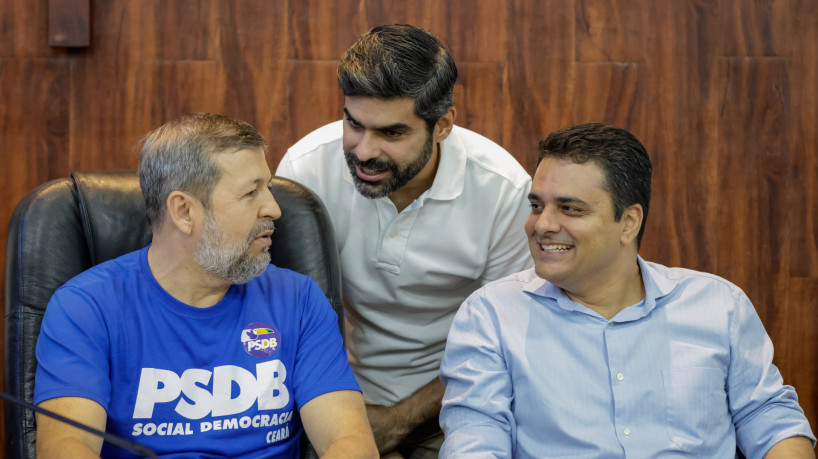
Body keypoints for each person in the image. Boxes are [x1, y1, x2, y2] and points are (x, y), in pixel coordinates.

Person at [439, 123, 816, 458]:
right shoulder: (490, 315)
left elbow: (772, 422)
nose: (542, 224)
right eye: (537, 205)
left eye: (570, 209)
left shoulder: (720, 307)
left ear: (629, 222)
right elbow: (475, 438)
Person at [34, 113, 378, 458]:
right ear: (184, 211)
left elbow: (350, 443)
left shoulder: (299, 300)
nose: (273, 208)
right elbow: (68, 449)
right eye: (250, 193)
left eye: (268, 188)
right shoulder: (85, 308)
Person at [276, 24, 532, 457]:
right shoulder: (304, 170)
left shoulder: (504, 192)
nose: (363, 151)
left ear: (443, 126)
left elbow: (505, 344)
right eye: (353, 124)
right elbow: (284, 316)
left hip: (455, 401)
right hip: (325, 396)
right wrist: (349, 423)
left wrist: (396, 423)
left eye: (392, 133)